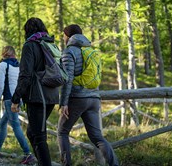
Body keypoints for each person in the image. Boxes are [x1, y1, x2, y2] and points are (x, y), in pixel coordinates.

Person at [57, 24, 119, 166]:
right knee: (97, 137)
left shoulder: (69, 51)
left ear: (68, 35)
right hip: (94, 98)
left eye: (64, 35)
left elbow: (68, 79)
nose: (63, 38)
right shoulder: (90, 50)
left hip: (77, 98)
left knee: (62, 132)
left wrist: (64, 103)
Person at [11, 17, 59, 166]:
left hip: (37, 97)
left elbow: (25, 75)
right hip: (51, 95)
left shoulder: (30, 46)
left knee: (38, 136)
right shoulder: (50, 43)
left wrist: (16, 98)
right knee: (32, 132)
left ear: (27, 30)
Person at [0, 46, 34, 164]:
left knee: (15, 125)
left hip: (9, 99)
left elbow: (1, 86)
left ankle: (27, 153)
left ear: (3, 53)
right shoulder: (18, 65)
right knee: (3, 122)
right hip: (18, 98)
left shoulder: (3, 65)